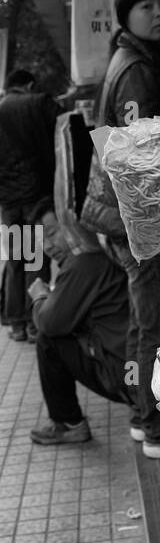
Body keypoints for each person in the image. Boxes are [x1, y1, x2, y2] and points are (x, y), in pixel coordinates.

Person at [81, 0, 160, 459]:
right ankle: (153, 426)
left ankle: (137, 410)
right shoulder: (137, 71)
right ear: (126, 13)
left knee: (140, 320)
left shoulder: (133, 60)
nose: (158, 12)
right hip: (138, 223)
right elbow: (140, 154)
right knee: (154, 322)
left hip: (121, 220)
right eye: (145, 5)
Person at [27, 203, 134, 445]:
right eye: (41, 239)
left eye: (53, 233)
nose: (49, 246)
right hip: (137, 371)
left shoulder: (84, 263)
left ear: (71, 225)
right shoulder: (104, 248)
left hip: (129, 378)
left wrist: (39, 298)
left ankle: (68, 423)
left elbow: (48, 323)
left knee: (48, 340)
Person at [0, 68, 57, 341]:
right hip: (35, 199)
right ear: (29, 84)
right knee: (35, 258)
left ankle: (16, 324)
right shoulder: (38, 103)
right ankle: (35, 323)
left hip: (9, 204)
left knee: (15, 260)